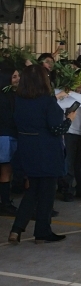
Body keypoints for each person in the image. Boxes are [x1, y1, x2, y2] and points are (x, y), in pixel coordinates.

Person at [8, 64, 75, 244]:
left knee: (33, 191)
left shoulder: (18, 100)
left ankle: (17, 228)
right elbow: (56, 129)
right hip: (46, 150)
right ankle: (42, 231)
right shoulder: (48, 102)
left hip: (26, 148)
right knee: (46, 193)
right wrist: (69, 119)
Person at [0, 67, 18, 216]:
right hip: (6, 135)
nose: (18, 79)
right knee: (6, 171)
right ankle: (5, 202)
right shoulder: (8, 97)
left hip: (5, 135)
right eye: (14, 77)